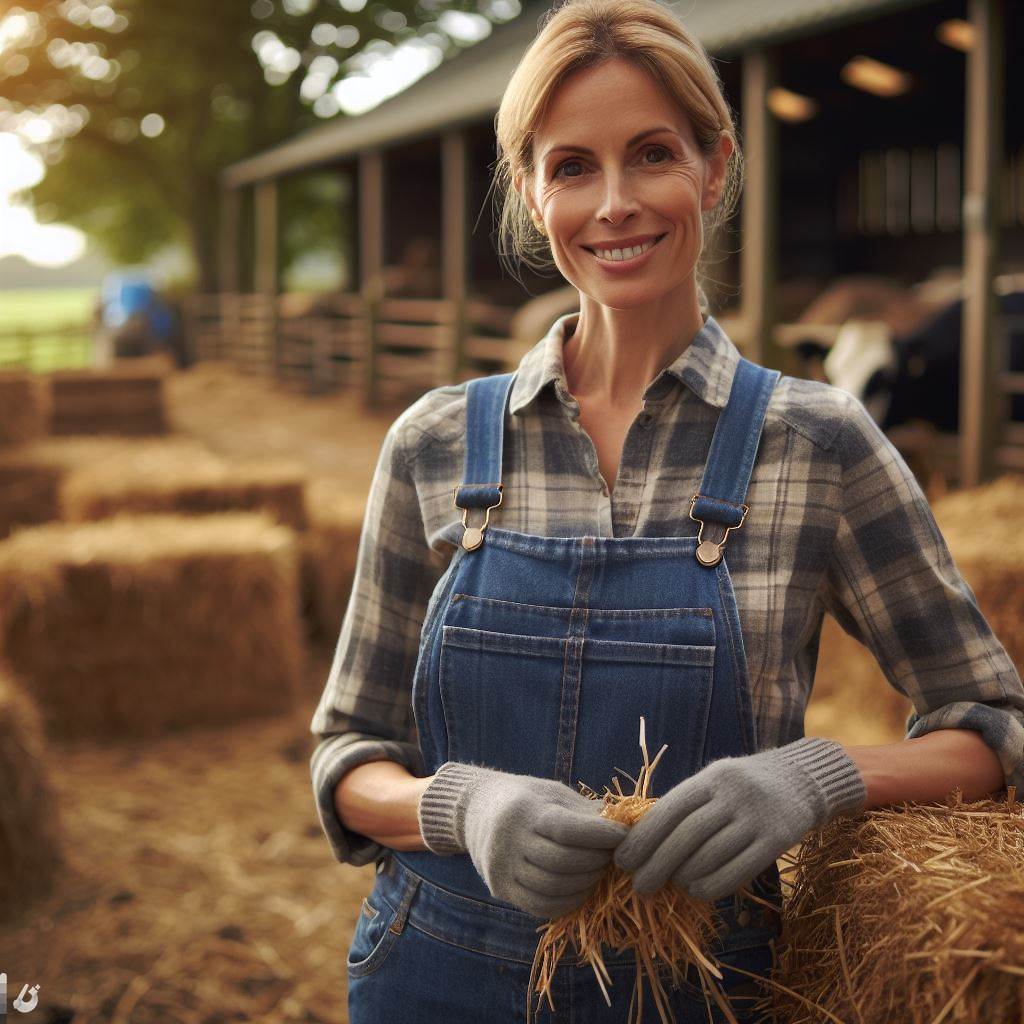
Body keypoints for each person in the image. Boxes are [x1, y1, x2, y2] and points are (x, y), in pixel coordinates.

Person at [309, 1, 1024, 1020]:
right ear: (529, 189)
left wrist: (813, 777)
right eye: (571, 167)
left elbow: (990, 726)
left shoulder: (816, 442)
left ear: (714, 169)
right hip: (431, 976)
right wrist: (460, 804)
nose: (613, 205)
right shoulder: (432, 443)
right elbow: (346, 755)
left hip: (696, 989)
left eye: (651, 154)